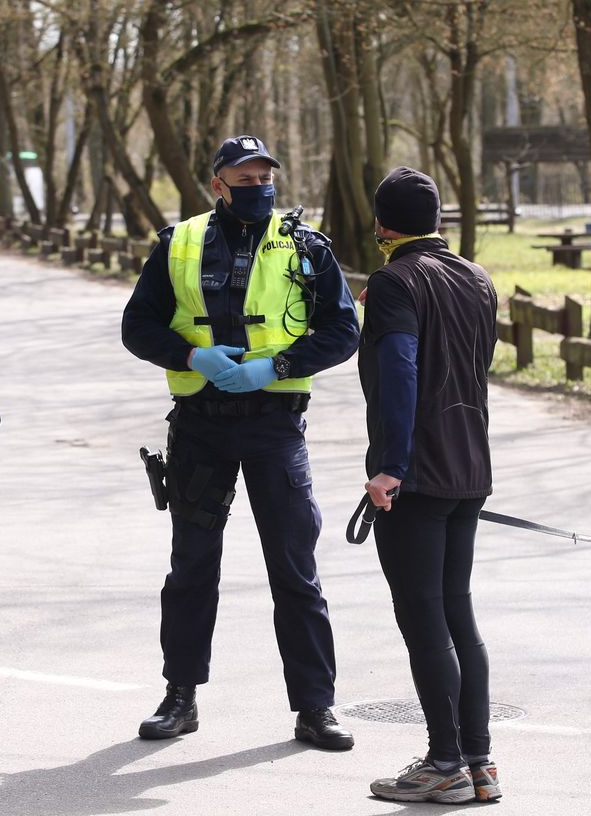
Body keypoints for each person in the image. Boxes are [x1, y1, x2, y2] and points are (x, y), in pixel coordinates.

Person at [122, 135, 360, 749]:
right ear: (218, 184)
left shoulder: (305, 245)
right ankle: (180, 697)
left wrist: (274, 368)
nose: (257, 184)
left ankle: (315, 708)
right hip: (200, 424)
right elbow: (137, 326)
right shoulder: (177, 245)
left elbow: (342, 330)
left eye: (264, 174)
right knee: (191, 568)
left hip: (274, 426)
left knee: (295, 570)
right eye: (244, 175)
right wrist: (191, 355)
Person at [357, 167, 500, 803]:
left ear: (384, 225)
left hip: (416, 474)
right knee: (457, 612)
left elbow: (400, 371)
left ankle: (445, 763)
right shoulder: (477, 278)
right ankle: (480, 763)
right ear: (437, 220)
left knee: (423, 619)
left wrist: (390, 464)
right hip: (470, 466)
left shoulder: (392, 282)